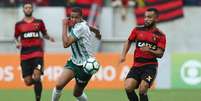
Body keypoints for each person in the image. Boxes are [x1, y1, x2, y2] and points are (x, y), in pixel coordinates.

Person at [51, 7, 101, 101]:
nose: (73, 20)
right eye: (71, 17)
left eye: (76, 17)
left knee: (77, 93)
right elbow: (91, 27)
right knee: (59, 85)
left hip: (86, 66)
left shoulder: (80, 27)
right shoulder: (83, 23)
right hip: (74, 62)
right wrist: (97, 33)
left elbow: (65, 44)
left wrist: (64, 25)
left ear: (81, 17)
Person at [119, 8, 166, 101]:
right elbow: (128, 41)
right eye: (145, 17)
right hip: (136, 65)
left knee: (143, 88)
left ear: (156, 19)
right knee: (128, 87)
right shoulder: (137, 30)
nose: (146, 19)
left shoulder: (160, 35)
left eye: (149, 17)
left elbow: (160, 53)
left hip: (150, 66)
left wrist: (149, 50)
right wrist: (123, 55)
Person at [14, 2, 55, 101]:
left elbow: (44, 33)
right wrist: (17, 43)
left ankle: (38, 99)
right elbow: (16, 37)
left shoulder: (39, 22)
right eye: (26, 8)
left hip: (37, 53)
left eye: (29, 8)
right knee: (28, 82)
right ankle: (38, 82)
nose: (28, 9)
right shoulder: (19, 25)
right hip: (24, 55)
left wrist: (49, 37)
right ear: (23, 10)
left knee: (36, 76)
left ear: (32, 9)